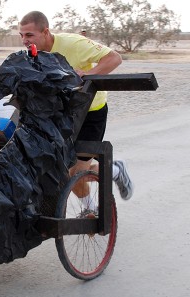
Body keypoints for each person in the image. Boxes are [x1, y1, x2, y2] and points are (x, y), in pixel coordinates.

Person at [19, 11, 134, 202]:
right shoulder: (34, 54)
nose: (24, 40)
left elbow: (114, 58)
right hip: (64, 115)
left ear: (45, 32)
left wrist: (87, 76)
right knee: (61, 170)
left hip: (91, 112)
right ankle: (114, 170)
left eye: (29, 35)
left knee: (73, 174)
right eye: (21, 35)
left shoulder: (74, 44)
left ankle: (89, 211)